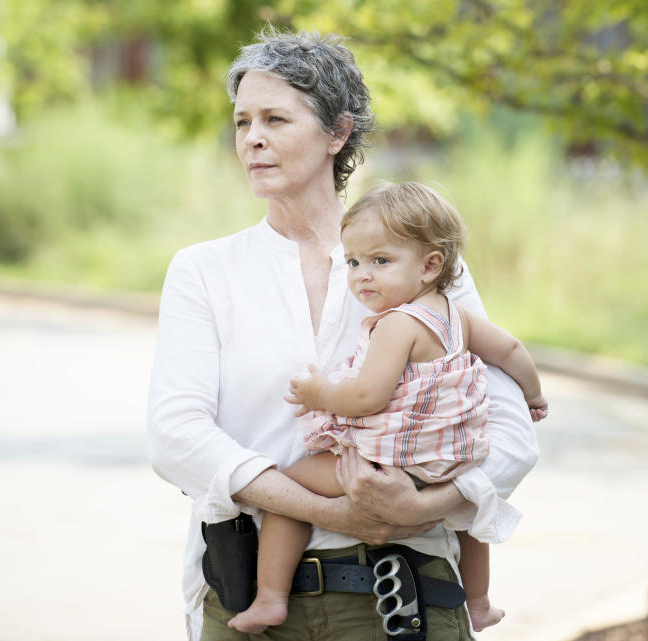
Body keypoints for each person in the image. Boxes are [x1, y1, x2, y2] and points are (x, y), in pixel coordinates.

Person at [147, 28, 539, 641]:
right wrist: (332, 511)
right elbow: (177, 437)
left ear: (337, 133)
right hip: (246, 602)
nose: (252, 138)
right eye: (242, 120)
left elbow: (512, 434)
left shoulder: (417, 268)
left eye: (276, 119)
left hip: (400, 599)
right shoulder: (203, 271)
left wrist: (420, 508)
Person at [226, 181, 549, 636]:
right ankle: (478, 602)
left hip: (390, 460)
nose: (362, 275)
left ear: (430, 265)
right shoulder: (457, 317)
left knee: (289, 492)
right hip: (450, 458)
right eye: (354, 262)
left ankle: (270, 599)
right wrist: (533, 394)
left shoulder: (397, 325)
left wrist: (319, 394)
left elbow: (366, 397)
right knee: (470, 514)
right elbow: (511, 350)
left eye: (381, 261)